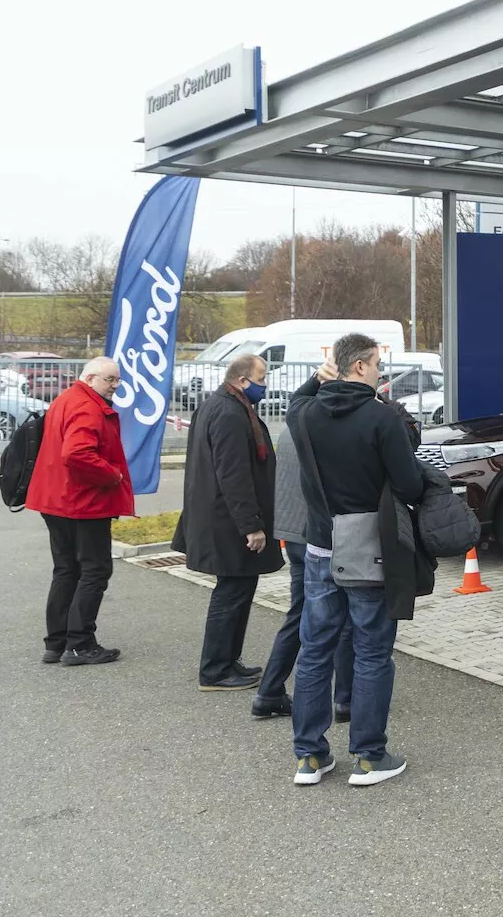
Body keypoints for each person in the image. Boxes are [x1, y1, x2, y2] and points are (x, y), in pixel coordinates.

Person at [285, 332, 431, 787]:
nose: (381, 372)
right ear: (362, 367)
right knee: (371, 651)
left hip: (320, 546)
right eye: (377, 364)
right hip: (368, 546)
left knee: (315, 649)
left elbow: (296, 400)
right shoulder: (380, 417)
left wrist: (316, 377)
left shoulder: (304, 414)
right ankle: (369, 756)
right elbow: (409, 485)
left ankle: (310, 757)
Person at [252, 356, 354, 721]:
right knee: (338, 618)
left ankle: (270, 690)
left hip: (293, 534)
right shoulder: (323, 429)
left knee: (300, 614)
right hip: (319, 535)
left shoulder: (292, 424)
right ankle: (345, 698)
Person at [173, 353, 283, 691]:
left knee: (239, 590)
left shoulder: (224, 406)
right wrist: (251, 525)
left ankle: (228, 660)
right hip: (229, 523)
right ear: (242, 381)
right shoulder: (229, 413)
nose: (265, 385)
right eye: (261, 378)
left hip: (224, 519)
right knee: (231, 592)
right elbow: (233, 475)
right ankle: (215, 669)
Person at [24, 356, 133, 667]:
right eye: (109, 379)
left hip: (55, 498)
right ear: (89, 378)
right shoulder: (88, 406)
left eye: (117, 380)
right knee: (95, 570)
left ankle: (56, 643)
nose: (114, 386)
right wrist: (112, 474)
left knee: (66, 570)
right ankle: (80, 643)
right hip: (82, 502)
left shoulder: (66, 398)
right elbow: (76, 452)